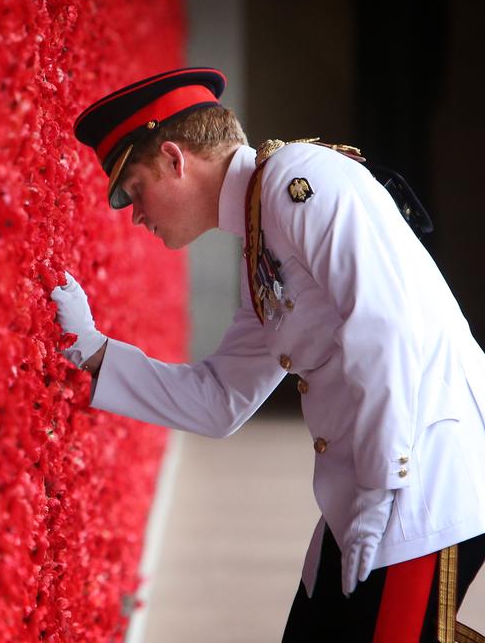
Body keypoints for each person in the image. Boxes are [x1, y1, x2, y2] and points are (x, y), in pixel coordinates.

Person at [49, 67, 485, 642]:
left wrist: (382, 491)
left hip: (418, 482)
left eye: (135, 190)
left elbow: (386, 328)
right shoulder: (262, 235)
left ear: (176, 160)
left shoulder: (297, 182)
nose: (136, 215)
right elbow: (220, 401)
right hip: (364, 493)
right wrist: (96, 351)